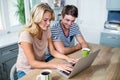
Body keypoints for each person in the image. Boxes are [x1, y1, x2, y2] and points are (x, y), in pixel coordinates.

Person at [16, 3, 77, 79]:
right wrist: (57, 66)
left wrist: (67, 58)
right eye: (45, 20)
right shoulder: (26, 35)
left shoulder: (46, 31)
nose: (48, 24)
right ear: (36, 18)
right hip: (26, 71)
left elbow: (52, 51)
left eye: (50, 20)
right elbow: (33, 63)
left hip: (41, 66)